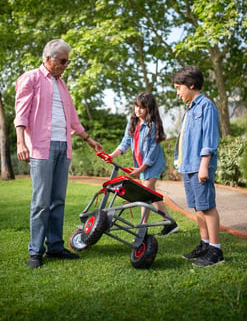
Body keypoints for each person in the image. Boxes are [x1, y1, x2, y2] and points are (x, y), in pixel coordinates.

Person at [14, 39, 104, 268]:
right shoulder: (31, 79)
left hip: (63, 146)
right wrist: (20, 142)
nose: (66, 65)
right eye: (63, 61)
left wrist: (90, 140)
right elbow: (21, 114)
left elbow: (72, 118)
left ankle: (55, 246)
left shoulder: (62, 85)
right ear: (48, 58)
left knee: (58, 201)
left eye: (68, 61)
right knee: (41, 202)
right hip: (41, 148)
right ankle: (36, 251)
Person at [172, 65, 224, 267]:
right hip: (189, 166)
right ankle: (204, 244)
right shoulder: (190, 107)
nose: (177, 92)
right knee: (198, 208)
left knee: (207, 207)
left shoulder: (206, 106)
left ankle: (216, 250)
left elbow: (209, 139)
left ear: (191, 85)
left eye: (179, 88)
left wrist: (204, 166)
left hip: (200, 166)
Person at [108, 92, 179, 235]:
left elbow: (152, 151)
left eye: (142, 107)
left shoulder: (152, 126)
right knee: (151, 196)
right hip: (141, 166)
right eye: (136, 106)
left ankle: (142, 228)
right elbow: (125, 142)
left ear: (149, 108)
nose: (138, 110)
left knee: (144, 196)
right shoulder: (132, 122)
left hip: (152, 165)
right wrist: (112, 156)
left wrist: (140, 169)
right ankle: (171, 223)